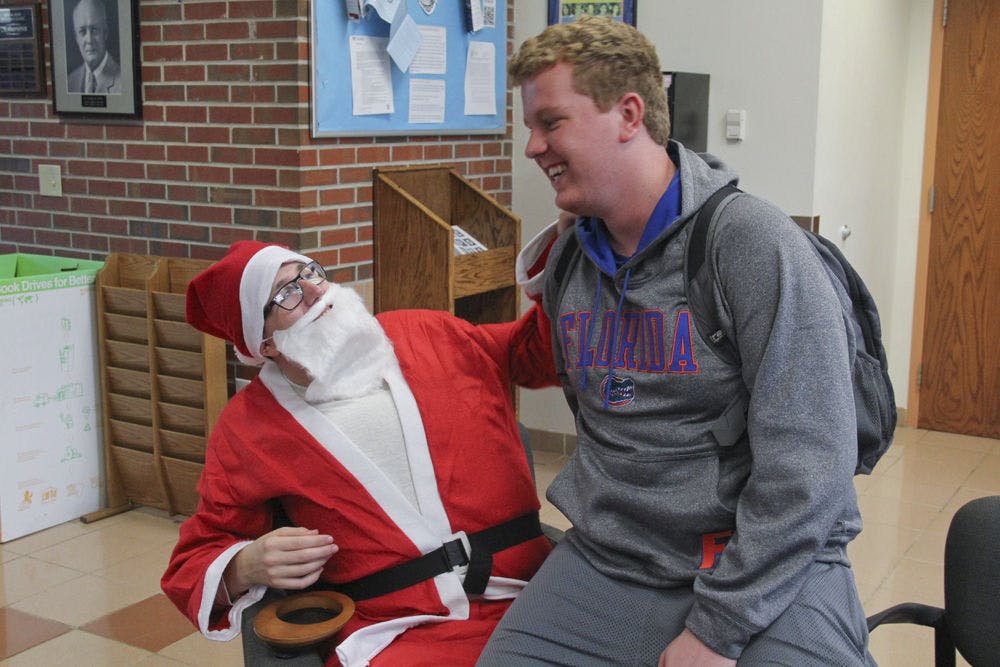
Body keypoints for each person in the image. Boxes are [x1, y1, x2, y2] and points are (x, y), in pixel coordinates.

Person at [479, 16, 875, 666]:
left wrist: (719, 628)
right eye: (530, 127)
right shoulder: (570, 264)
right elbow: (600, 417)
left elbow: (811, 470)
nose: (531, 147)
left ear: (628, 113)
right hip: (614, 557)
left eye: (550, 123)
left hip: (763, 553)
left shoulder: (750, 245)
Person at [161, 240, 558, 666]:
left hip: (535, 594)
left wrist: (571, 256)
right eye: (286, 294)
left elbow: (540, 353)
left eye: (309, 272)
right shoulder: (248, 427)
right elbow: (193, 557)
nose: (314, 290)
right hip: (399, 630)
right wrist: (245, 564)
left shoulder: (429, 332)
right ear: (266, 344)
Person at [66, 0, 121, 94]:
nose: (89, 40)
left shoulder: (122, 81)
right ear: (76, 38)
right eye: (82, 31)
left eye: (94, 30)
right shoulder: (70, 82)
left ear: (105, 32)